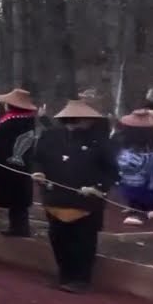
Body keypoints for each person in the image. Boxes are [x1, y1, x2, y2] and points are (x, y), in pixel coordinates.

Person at [32, 100, 118, 292]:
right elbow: (38, 159)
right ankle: (65, 275)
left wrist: (99, 187)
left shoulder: (101, 141)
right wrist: (39, 173)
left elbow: (112, 171)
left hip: (86, 202)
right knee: (58, 238)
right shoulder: (50, 136)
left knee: (83, 241)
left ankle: (81, 279)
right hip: (55, 198)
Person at [0, 89, 38, 237]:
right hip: (23, 164)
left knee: (15, 200)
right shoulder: (28, 120)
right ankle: (20, 227)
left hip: (9, 165)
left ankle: (18, 228)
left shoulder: (10, 121)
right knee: (20, 201)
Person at [113, 109, 153, 225]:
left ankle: (139, 210)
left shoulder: (128, 131)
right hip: (142, 155)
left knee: (140, 182)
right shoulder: (152, 130)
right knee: (144, 182)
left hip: (139, 155)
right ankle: (137, 208)